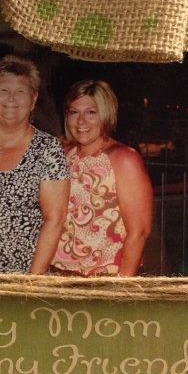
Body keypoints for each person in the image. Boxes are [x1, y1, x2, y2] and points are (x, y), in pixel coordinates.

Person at [0, 55, 70, 274]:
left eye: (20, 91)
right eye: (3, 90)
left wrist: (32, 282)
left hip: (20, 276)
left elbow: (54, 220)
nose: (11, 99)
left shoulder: (47, 150)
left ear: (33, 99)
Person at [51, 79, 153, 277]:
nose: (81, 122)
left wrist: (120, 287)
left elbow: (139, 232)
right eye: (74, 112)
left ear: (106, 114)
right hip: (58, 274)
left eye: (91, 112)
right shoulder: (63, 154)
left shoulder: (123, 159)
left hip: (105, 278)